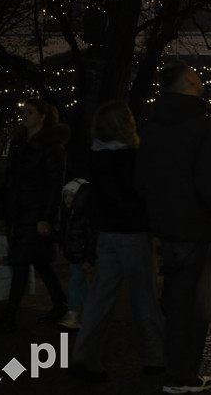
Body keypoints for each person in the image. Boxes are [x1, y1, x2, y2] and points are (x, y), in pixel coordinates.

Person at [135, 61, 211, 394]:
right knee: (195, 307)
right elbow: (210, 184)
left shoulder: (151, 128)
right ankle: (182, 375)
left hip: (165, 225)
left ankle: (176, 370)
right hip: (197, 225)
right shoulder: (204, 128)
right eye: (196, 83)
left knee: (176, 299)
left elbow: (142, 179)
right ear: (185, 87)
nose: (202, 87)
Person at [70, 101, 165, 383]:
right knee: (145, 296)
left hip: (107, 233)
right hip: (133, 233)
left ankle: (84, 357)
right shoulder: (133, 158)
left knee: (100, 296)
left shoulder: (96, 157)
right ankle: (155, 357)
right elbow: (144, 193)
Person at [0, 97, 69, 333]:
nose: (24, 115)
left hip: (34, 213)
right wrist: (2, 212)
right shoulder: (19, 144)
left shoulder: (51, 147)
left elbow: (55, 185)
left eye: (30, 112)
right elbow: (9, 181)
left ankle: (9, 315)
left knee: (22, 262)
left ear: (42, 117)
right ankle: (60, 304)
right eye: (23, 111)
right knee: (40, 262)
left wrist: (46, 217)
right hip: (19, 211)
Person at [59, 178, 95, 330]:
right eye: (66, 195)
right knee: (82, 287)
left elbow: (91, 239)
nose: (68, 199)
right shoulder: (71, 215)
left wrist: (89, 258)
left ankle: (72, 315)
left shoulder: (84, 217)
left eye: (71, 196)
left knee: (74, 284)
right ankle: (92, 316)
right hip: (74, 257)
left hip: (80, 258)